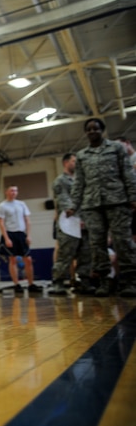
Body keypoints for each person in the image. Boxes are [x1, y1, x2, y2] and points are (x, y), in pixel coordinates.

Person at [67, 118, 136, 297]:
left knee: (123, 242)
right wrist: (73, 205)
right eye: (89, 130)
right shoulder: (82, 155)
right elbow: (79, 182)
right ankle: (105, 281)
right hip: (92, 205)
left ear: (102, 130)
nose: (92, 132)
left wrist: (133, 196)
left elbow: (127, 173)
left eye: (95, 129)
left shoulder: (116, 148)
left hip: (117, 202)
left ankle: (130, 281)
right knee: (97, 244)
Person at [49, 154, 92, 295]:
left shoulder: (81, 180)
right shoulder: (60, 181)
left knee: (85, 254)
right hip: (69, 224)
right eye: (74, 161)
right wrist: (76, 217)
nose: (77, 164)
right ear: (66, 163)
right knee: (65, 255)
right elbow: (64, 201)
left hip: (85, 223)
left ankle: (85, 282)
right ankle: (58, 282)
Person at [0, 185, 41, 294]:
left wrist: (28, 235)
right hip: (10, 234)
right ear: (6, 191)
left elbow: (27, 220)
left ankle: (31, 284)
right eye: (11, 190)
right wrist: (6, 238)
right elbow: (1, 223)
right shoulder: (2, 206)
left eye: (16, 190)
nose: (14, 192)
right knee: (13, 260)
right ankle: (16, 284)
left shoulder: (21, 204)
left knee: (28, 259)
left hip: (21, 234)